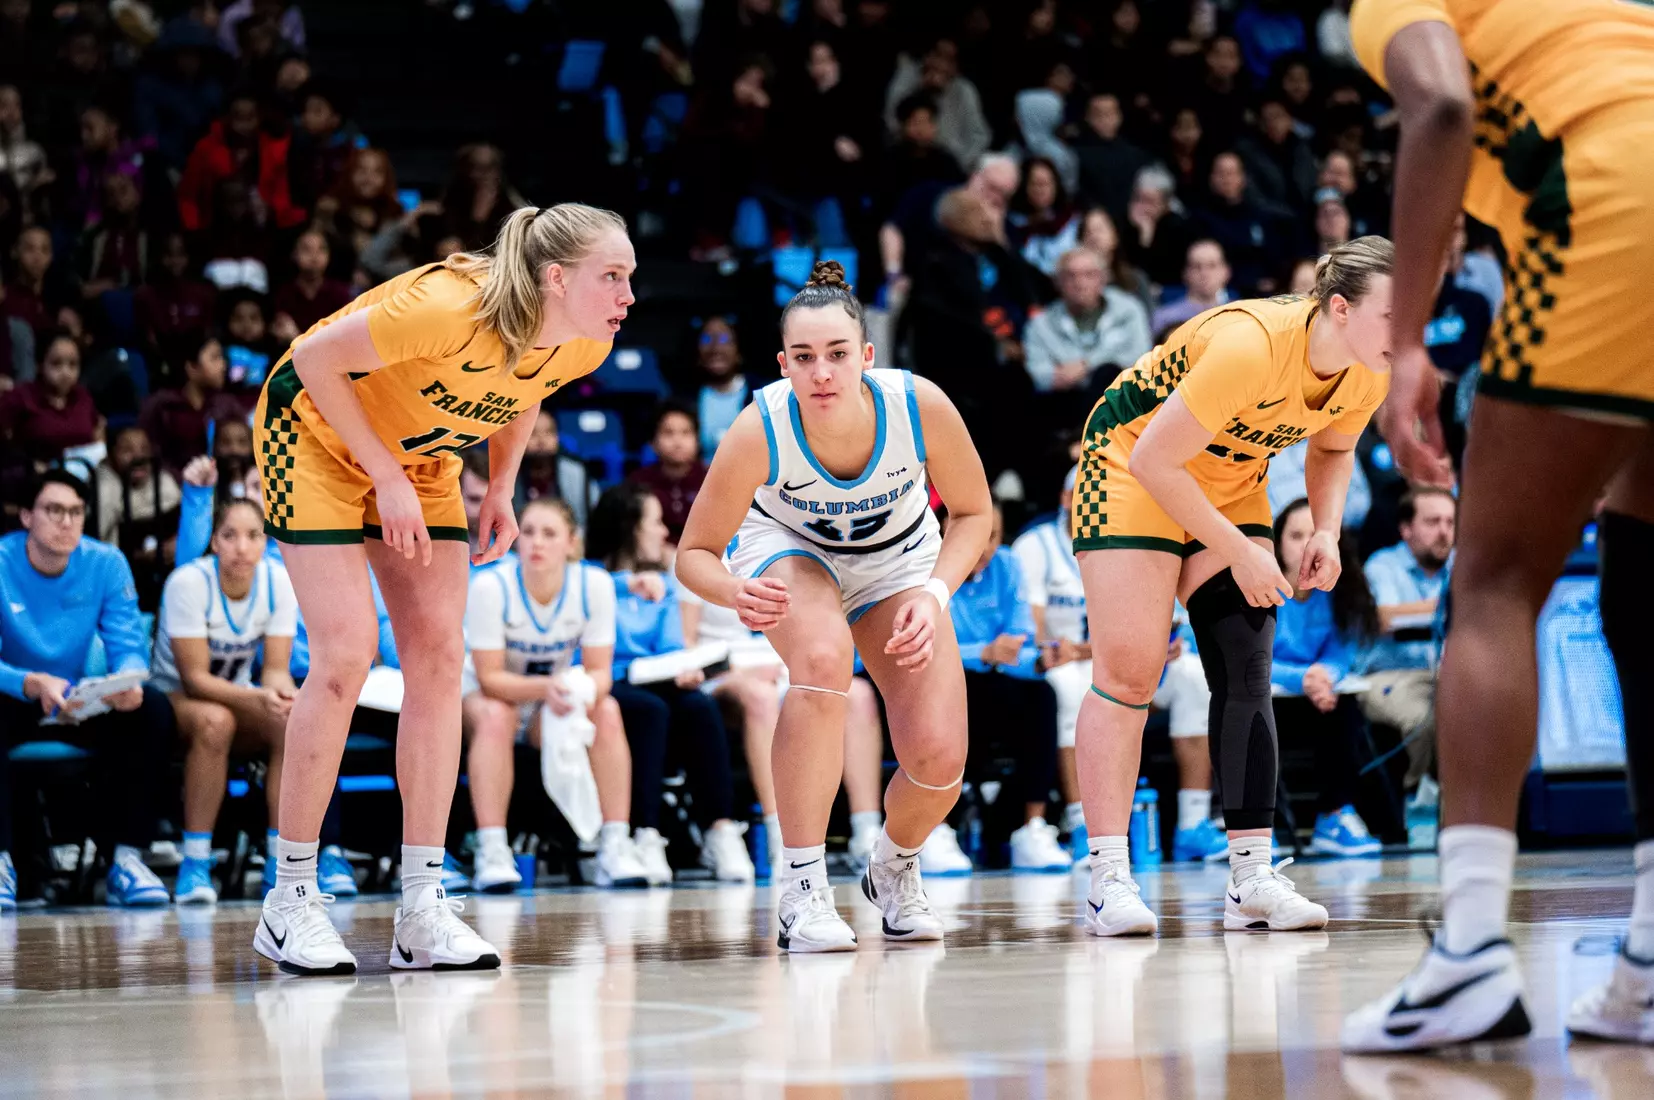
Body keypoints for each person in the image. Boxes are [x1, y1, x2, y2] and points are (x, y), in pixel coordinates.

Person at [1348, 8, 1654, 1050]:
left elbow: (1438, 105)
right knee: (1644, 575)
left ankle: (1470, 951)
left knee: (1492, 582)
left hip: (1613, 206)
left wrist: (1403, 345)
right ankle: (1650, 958)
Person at [248, 202, 633, 975]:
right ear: (555, 278)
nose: (629, 295)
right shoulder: (448, 307)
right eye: (613, 277)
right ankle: (289, 900)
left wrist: (501, 486)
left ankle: (421, 905)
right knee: (347, 655)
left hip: (420, 461)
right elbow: (317, 360)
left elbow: (526, 390)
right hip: (313, 432)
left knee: (437, 658)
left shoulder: (585, 341)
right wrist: (381, 474)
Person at [1069, 237, 1395, 938]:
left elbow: (1333, 449)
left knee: (1246, 657)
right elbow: (1157, 458)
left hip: (1229, 477)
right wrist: (1235, 551)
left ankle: (1251, 876)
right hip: (1130, 464)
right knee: (1130, 671)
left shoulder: (1372, 368)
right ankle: (1108, 880)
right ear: (1340, 309)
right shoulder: (1251, 346)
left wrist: (1328, 531)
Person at [676, 260, 993, 952]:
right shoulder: (759, 426)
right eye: (806, 357)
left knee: (939, 763)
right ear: (783, 364)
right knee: (823, 660)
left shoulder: (921, 406)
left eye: (838, 355)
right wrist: (735, 592)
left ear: (867, 358)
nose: (822, 372)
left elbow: (974, 513)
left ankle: (894, 865)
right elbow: (692, 552)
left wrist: (936, 594)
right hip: (790, 549)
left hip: (900, 560)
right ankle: (802, 887)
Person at [1013, 466, 1228, 864]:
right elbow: (1040, 639)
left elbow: (1168, 616)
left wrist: (1163, 642)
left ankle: (1193, 825)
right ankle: (1082, 825)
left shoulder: (1134, 539)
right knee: (1067, 687)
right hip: (1073, 666)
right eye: (1085, 494)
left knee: (1195, 680)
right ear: (1065, 500)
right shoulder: (1036, 546)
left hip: (1130, 662)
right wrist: (1098, 651)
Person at [0, 471, 175, 909]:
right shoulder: (2, 561)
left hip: (78, 697)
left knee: (151, 711)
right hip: (14, 694)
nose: (66, 522)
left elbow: (128, 641)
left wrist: (128, 681)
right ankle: (2, 862)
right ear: (26, 516)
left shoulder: (106, 562)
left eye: (76, 512)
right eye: (54, 510)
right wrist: (27, 681)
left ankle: (127, 860)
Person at [462, 497, 650, 891]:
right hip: (489, 696)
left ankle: (614, 844)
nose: (537, 543)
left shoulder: (593, 584)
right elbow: (490, 677)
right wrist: (549, 688)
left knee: (608, 710)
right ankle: (492, 850)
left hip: (551, 699)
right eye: (528, 532)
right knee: (497, 716)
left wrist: (578, 691)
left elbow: (601, 674)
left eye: (549, 534)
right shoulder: (491, 586)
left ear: (571, 542)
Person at [587, 483, 754, 885]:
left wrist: (686, 668)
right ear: (630, 528)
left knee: (697, 704)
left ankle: (720, 828)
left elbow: (672, 645)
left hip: (652, 679)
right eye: (655, 523)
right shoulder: (591, 579)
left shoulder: (662, 582)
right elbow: (580, 596)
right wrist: (625, 584)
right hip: (604, 679)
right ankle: (643, 832)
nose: (663, 533)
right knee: (649, 710)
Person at [151, 497, 298, 904]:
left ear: (265, 541)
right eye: (230, 536)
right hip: (173, 699)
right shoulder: (188, 582)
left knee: (293, 720)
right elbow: (195, 680)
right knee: (215, 721)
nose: (242, 547)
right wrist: (259, 697)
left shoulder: (278, 582)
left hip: (235, 698)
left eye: (253, 536)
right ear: (214, 541)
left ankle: (280, 862)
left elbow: (274, 670)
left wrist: (282, 694)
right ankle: (194, 864)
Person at [946, 500, 1068, 871]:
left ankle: (1032, 826)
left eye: (993, 536)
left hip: (998, 678)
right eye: (975, 536)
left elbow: (1020, 641)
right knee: (959, 695)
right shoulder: (926, 569)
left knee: (1043, 695)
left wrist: (1039, 659)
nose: (984, 548)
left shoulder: (1008, 564)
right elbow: (931, 647)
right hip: (945, 680)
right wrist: (983, 652)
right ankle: (940, 827)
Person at [1270, 497, 1382, 858]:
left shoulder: (1341, 589)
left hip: (1319, 696)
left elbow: (1343, 650)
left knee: (1347, 711)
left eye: (1313, 535)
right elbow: (1251, 657)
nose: (1305, 545)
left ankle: (1334, 816)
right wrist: (1303, 677)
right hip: (1270, 695)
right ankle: (1259, 826)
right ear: (1277, 543)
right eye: (1295, 535)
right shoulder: (1262, 587)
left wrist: (1324, 676)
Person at [1356, 488, 1454, 799]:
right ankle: (1417, 797)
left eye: (1451, 523)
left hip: (1444, 675)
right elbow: (1384, 618)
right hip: (1386, 676)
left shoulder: (1461, 564)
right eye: (1433, 522)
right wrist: (1449, 605)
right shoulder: (1383, 566)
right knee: (1423, 719)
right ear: (1406, 529)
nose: (1444, 532)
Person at [1022, 247, 1152, 398]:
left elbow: (1141, 359)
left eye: (1089, 275)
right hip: (1065, 402)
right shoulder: (1040, 324)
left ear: (1103, 279)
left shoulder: (1128, 310)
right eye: (1070, 276)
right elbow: (1038, 375)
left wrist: (1086, 366)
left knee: (1107, 374)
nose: (1079, 283)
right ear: (1057, 282)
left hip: (1120, 399)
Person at [138, 333, 241, 472]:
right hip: (171, 485)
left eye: (222, 357)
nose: (223, 365)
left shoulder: (228, 405)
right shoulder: (161, 406)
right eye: (215, 358)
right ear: (192, 367)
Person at [0, 332, 102, 462]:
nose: (66, 373)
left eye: (73, 364)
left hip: (82, 473)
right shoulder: (22, 396)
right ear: (40, 365)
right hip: (34, 476)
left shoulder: (83, 397)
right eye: (56, 364)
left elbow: (98, 431)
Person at [626, 401, 708, 545]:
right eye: (668, 433)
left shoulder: (712, 478)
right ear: (653, 442)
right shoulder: (638, 481)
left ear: (697, 440)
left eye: (686, 433)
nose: (678, 442)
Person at [1151, 240, 1233, 337]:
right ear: (1185, 273)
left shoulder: (1239, 315)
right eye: (1196, 267)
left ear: (1226, 271)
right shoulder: (1165, 318)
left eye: (1212, 266)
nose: (1204, 273)